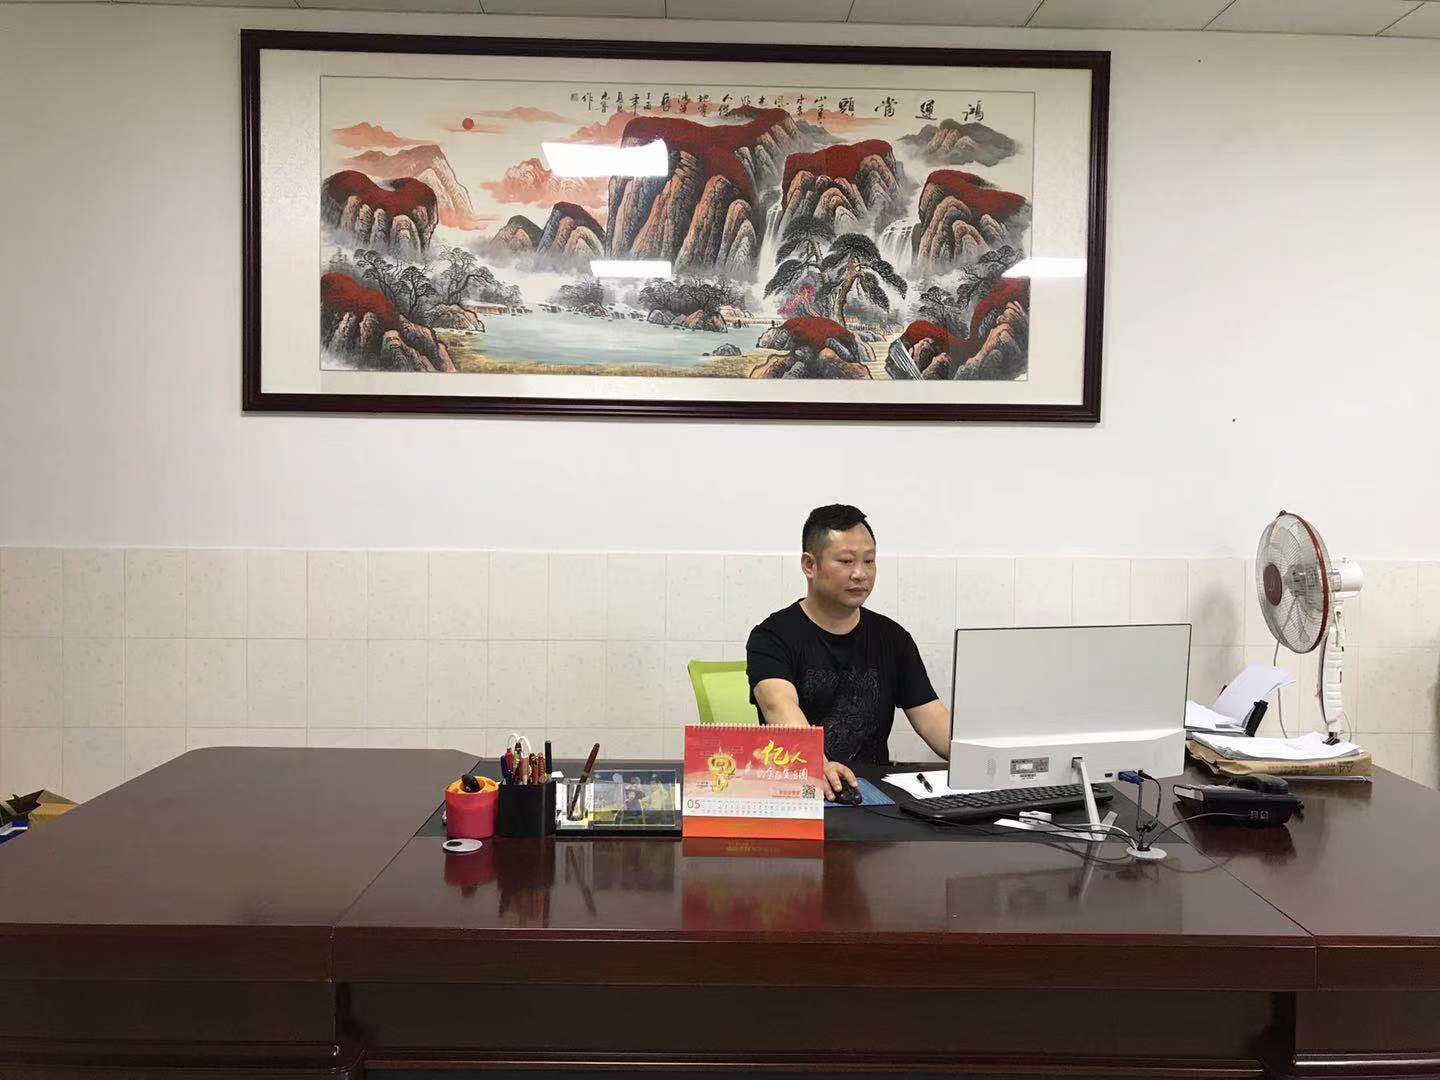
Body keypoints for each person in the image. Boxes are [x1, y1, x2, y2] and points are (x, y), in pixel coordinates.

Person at [746, 504, 951, 799]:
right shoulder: (772, 637)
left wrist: (994, 759)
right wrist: (817, 764)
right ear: (810, 565)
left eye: (869, 561)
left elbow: (933, 719)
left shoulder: (893, 638)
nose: (860, 574)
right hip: (801, 792)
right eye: (846, 561)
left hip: (874, 797)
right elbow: (779, 706)